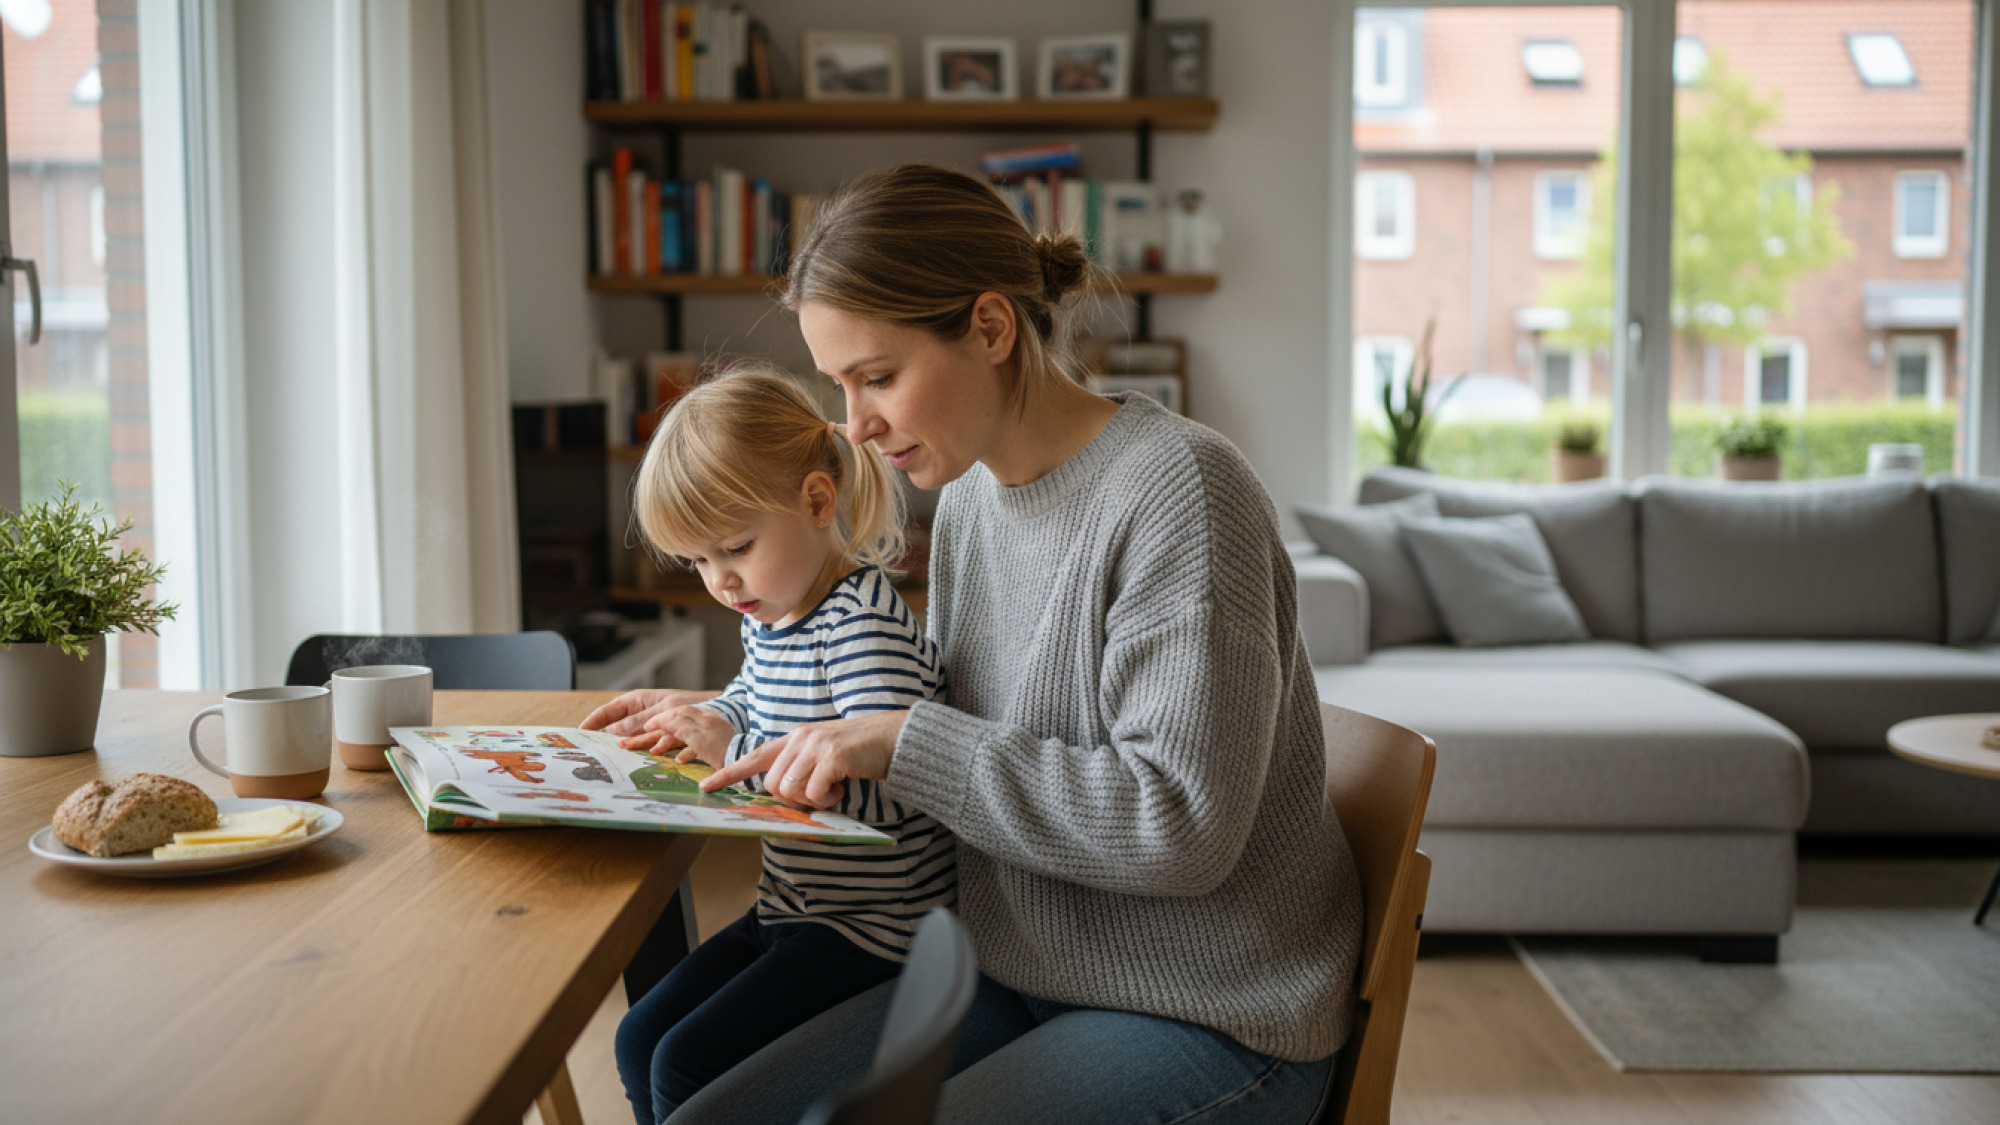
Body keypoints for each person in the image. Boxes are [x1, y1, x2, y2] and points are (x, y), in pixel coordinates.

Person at [593, 163, 1364, 1125]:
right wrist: (732, 719)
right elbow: (938, 735)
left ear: (991, 329)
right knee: (707, 1106)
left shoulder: (1182, 494)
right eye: (840, 384)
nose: (855, 427)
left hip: (1207, 1007)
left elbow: (1178, 826)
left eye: (877, 377)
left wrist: (902, 741)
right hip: (1019, 967)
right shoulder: (967, 506)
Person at [585, 363, 952, 1125]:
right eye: (699, 562)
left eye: (736, 548)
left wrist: (735, 745)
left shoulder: (859, 624)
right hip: (796, 905)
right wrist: (703, 710)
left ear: (817, 501)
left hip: (872, 932)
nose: (720, 581)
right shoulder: (776, 606)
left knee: (687, 1058)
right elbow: (758, 697)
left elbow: (889, 782)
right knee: (639, 1035)